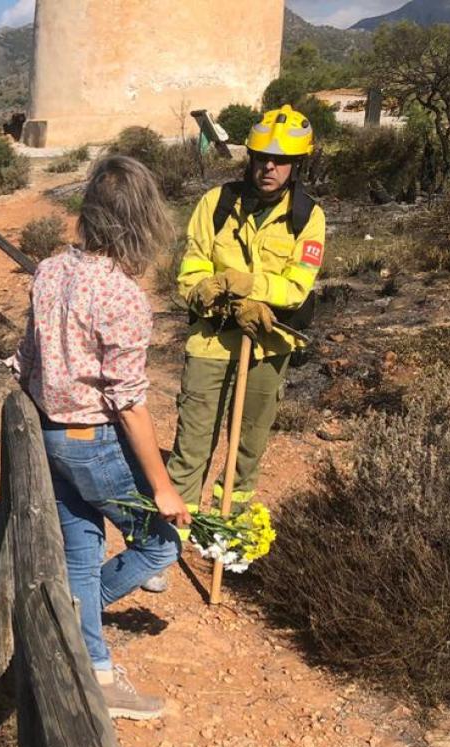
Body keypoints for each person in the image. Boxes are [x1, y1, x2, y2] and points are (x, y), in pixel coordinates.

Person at [10, 154, 190, 721]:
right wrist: (162, 486)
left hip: (50, 434)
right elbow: (129, 404)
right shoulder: (122, 296)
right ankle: (71, 621)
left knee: (83, 552)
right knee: (162, 543)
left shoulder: (49, 270)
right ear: (140, 222)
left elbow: (27, 356)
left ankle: (94, 667)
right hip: (94, 440)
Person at [154, 104, 325, 586]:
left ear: (297, 165)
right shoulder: (215, 203)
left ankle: (228, 541)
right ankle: (168, 548)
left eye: (282, 160)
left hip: (268, 347)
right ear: (249, 158)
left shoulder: (308, 218)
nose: (269, 167)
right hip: (210, 344)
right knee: (192, 448)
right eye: (261, 158)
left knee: (246, 450)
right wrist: (215, 294)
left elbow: (297, 284)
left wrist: (244, 286)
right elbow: (191, 272)